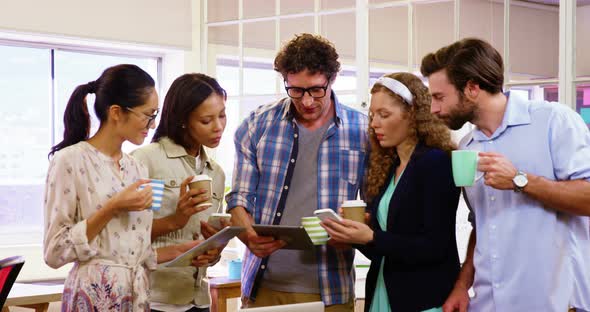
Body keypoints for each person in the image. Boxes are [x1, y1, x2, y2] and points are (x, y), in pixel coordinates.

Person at [420, 38, 590, 311]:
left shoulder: (553, 120)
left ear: (472, 88)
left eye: (440, 97)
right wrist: (462, 285)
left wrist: (519, 181)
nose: (433, 109)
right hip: (488, 302)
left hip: (552, 302)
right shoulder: (467, 147)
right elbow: (482, 225)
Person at [225, 33, 369, 311]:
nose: (306, 102)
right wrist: (247, 235)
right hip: (263, 286)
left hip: (332, 289)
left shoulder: (362, 131)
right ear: (285, 82)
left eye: (316, 90)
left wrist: (354, 231)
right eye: (296, 90)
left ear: (332, 80)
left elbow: (372, 205)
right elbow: (239, 198)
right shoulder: (257, 125)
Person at [44, 64, 204, 311]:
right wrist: (113, 207)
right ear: (117, 112)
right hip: (94, 295)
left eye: (155, 115)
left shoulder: (136, 168)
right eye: (148, 115)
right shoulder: (70, 160)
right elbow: (54, 252)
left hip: (136, 296)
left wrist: (186, 250)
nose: (152, 125)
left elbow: (138, 253)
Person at [321, 72, 460, 312]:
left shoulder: (436, 163)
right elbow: (386, 250)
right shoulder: (388, 166)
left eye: (384, 115)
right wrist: (355, 236)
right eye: (373, 115)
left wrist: (371, 237)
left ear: (413, 114)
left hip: (422, 299)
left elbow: (434, 247)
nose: (374, 124)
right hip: (384, 292)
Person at [131, 73, 228, 312]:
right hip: (155, 300)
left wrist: (213, 252)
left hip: (199, 301)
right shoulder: (146, 161)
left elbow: (205, 239)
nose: (218, 127)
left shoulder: (215, 173)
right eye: (207, 120)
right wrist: (176, 220)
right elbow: (128, 238)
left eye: (222, 115)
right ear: (183, 120)